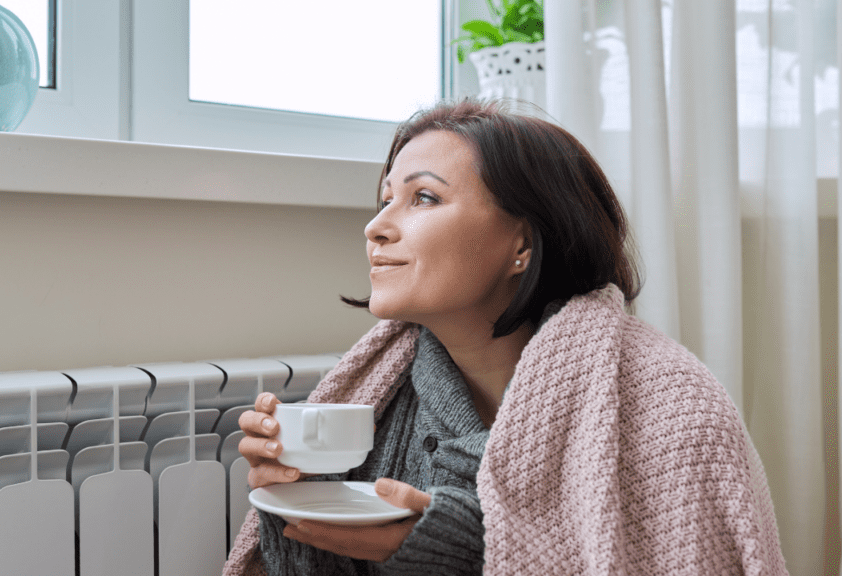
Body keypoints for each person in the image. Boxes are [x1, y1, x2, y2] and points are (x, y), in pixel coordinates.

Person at [223, 99, 788, 576]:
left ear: (523, 242)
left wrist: (456, 542)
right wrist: (301, 494)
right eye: (385, 199)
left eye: (423, 198)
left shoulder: (674, 412)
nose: (376, 226)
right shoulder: (379, 397)